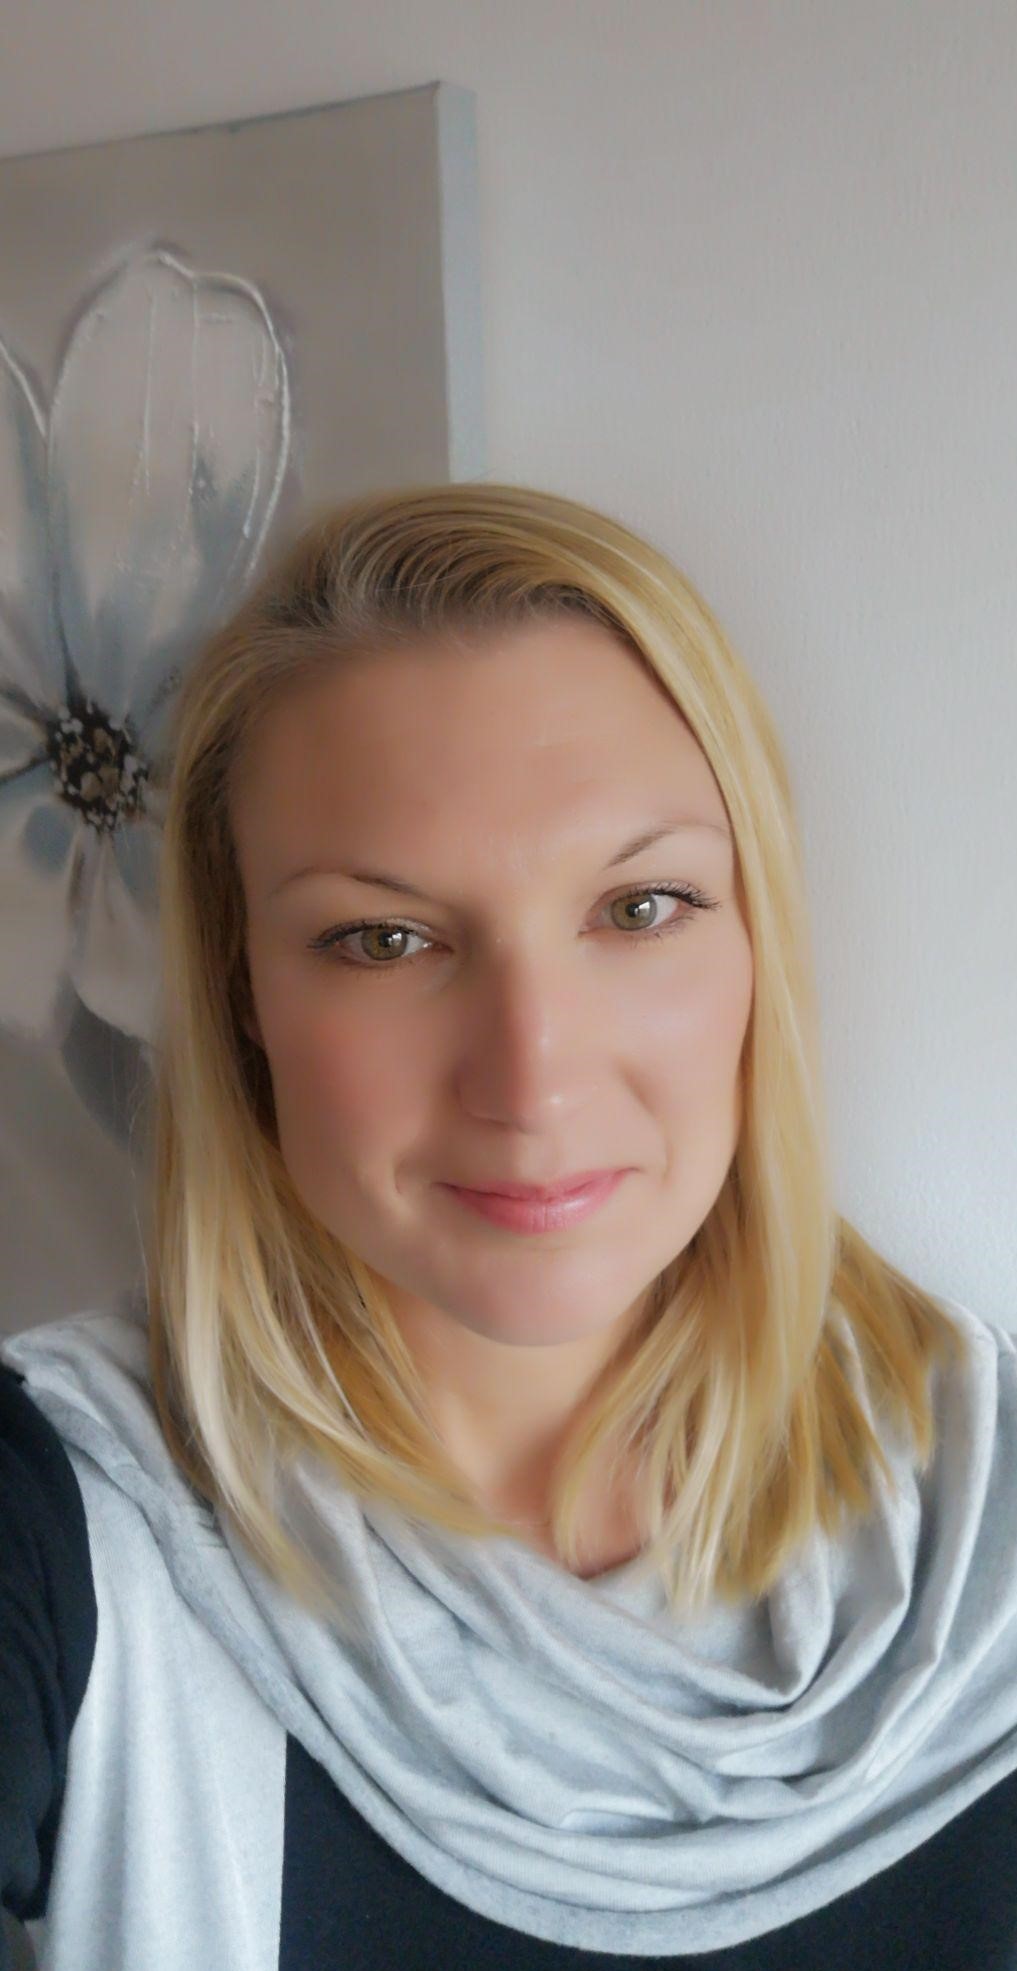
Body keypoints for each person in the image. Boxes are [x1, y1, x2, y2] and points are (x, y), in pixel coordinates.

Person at [2, 480, 1017, 1970]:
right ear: (243, 994)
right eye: (385, 938)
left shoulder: (987, 1513)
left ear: (759, 941)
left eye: (640, 908)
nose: (531, 1079)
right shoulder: (57, 1519)